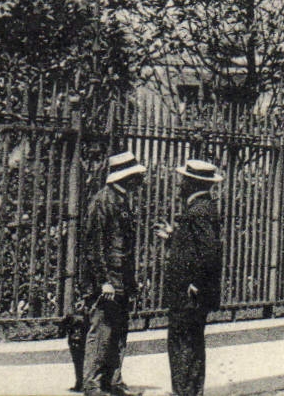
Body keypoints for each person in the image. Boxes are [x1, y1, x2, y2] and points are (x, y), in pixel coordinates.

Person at [77, 150, 147, 396]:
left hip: (120, 281)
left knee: (118, 332)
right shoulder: (102, 201)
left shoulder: (121, 201)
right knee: (102, 331)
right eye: (136, 177)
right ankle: (92, 383)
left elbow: (124, 249)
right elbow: (93, 246)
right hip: (106, 283)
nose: (139, 182)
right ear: (125, 178)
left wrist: (130, 282)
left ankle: (114, 382)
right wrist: (103, 281)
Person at [158, 159, 225, 396]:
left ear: (193, 183)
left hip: (189, 292)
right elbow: (196, 246)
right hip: (193, 291)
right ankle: (191, 391)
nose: (180, 184)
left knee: (182, 343)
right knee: (192, 343)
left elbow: (208, 251)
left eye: (184, 180)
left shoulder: (197, 211)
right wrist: (173, 237)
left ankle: (184, 392)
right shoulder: (204, 208)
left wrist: (195, 282)